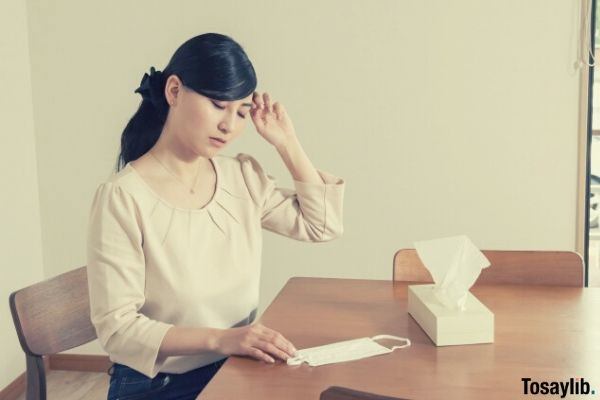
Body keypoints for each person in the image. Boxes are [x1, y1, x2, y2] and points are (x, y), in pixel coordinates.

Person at [86, 33, 345, 400]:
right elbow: (118, 329)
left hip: (235, 369)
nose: (230, 125)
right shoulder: (123, 197)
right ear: (174, 91)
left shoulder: (242, 177)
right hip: (158, 385)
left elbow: (322, 225)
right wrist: (225, 339)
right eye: (217, 105)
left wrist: (287, 142)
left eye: (241, 111)